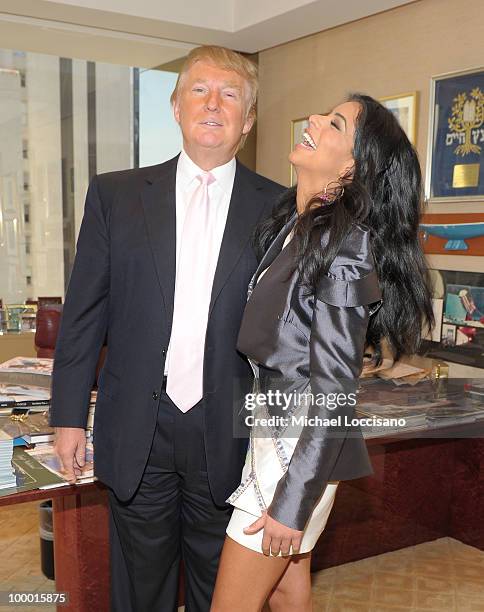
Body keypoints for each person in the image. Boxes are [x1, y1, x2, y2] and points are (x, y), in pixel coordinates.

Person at [50, 45, 284, 611]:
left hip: (231, 431)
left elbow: (287, 340)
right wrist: (67, 416)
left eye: (230, 94)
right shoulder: (116, 195)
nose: (213, 103)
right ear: (176, 107)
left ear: (247, 121)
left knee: (222, 590)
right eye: (199, 90)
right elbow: (84, 314)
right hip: (138, 428)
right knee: (140, 588)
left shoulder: (281, 208)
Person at [211, 93, 434, 611]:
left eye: (334, 123)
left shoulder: (345, 244)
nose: (312, 118)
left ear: (355, 166)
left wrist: (293, 501)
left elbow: (335, 389)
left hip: (296, 452)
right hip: (274, 439)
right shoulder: (294, 227)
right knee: (288, 594)